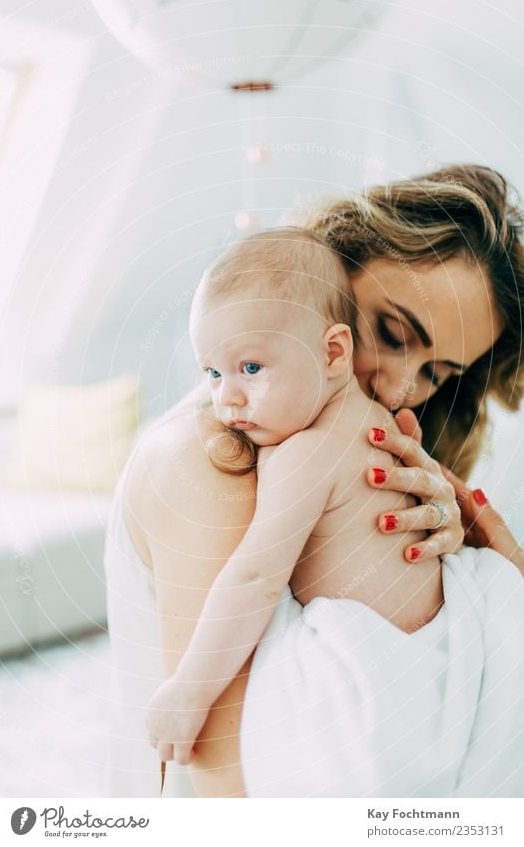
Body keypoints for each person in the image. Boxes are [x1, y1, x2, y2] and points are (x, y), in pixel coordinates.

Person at [104, 164, 524, 798]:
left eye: (437, 371)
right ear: (328, 270)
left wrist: (464, 567)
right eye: (390, 331)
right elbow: (225, 786)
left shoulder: (359, 449)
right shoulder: (206, 459)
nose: (398, 386)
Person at [146, 225, 447, 765]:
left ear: (334, 352)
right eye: (212, 373)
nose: (226, 399)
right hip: (432, 659)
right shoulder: (372, 421)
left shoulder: (306, 453)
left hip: (376, 679)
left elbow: (256, 579)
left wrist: (190, 688)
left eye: (251, 368)